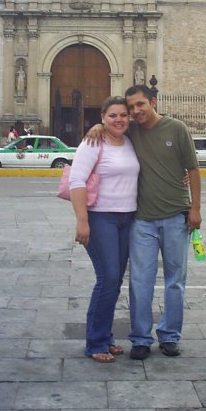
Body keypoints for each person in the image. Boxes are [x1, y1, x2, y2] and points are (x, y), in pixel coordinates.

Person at [87, 84, 201, 360]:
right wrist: (95, 126)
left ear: (153, 102)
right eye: (131, 108)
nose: (135, 112)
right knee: (140, 281)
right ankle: (140, 337)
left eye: (140, 105)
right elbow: (112, 125)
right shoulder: (131, 130)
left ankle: (170, 336)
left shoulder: (177, 129)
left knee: (176, 281)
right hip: (142, 221)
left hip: (177, 217)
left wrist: (195, 208)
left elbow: (193, 170)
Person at [69, 96, 140, 363]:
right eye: (112, 115)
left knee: (114, 280)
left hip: (127, 218)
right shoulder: (93, 142)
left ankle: (105, 337)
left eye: (123, 114)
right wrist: (82, 221)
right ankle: (96, 342)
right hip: (100, 219)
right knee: (108, 278)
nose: (119, 119)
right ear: (102, 117)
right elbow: (77, 180)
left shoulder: (131, 141)